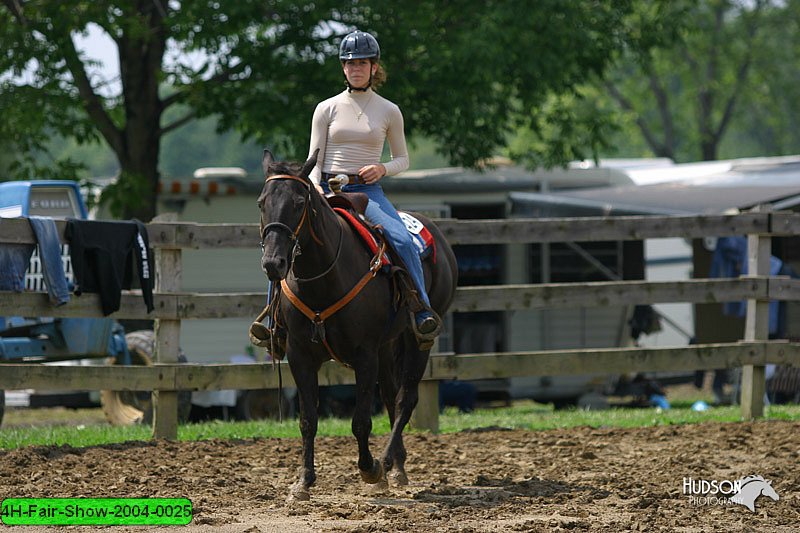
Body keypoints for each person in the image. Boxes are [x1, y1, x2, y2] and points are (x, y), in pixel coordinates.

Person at [307, 29, 439, 337]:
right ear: (343, 68)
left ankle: (421, 308)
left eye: (362, 64)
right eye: (350, 64)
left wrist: (382, 168)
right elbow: (313, 157)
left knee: (403, 241)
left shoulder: (389, 110)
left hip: (367, 192)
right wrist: (315, 186)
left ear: (374, 68)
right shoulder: (325, 108)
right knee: (286, 238)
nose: (355, 69)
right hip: (327, 188)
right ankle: (273, 321)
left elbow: (403, 159)